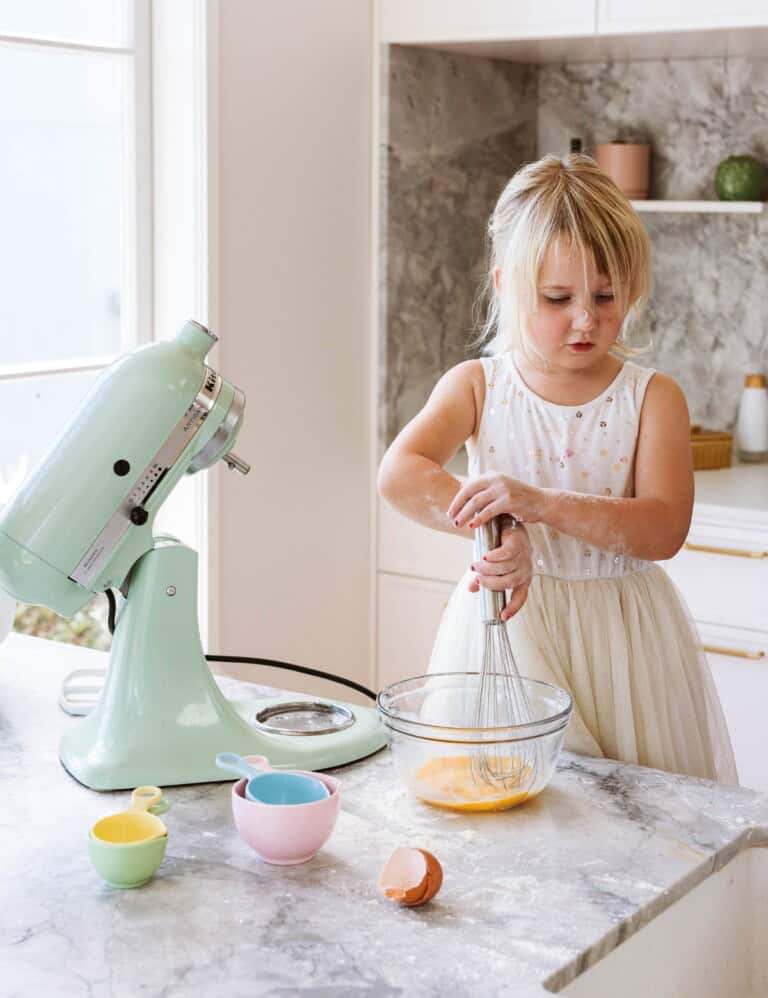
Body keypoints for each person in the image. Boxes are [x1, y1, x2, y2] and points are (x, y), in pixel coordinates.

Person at [378, 154, 737, 784]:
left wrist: (538, 503)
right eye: (556, 298)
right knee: (509, 805)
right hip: (507, 633)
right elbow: (401, 474)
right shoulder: (477, 386)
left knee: (632, 816)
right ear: (504, 286)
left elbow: (662, 529)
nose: (585, 318)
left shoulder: (653, 397)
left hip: (626, 643)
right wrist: (500, 528)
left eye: (606, 295)